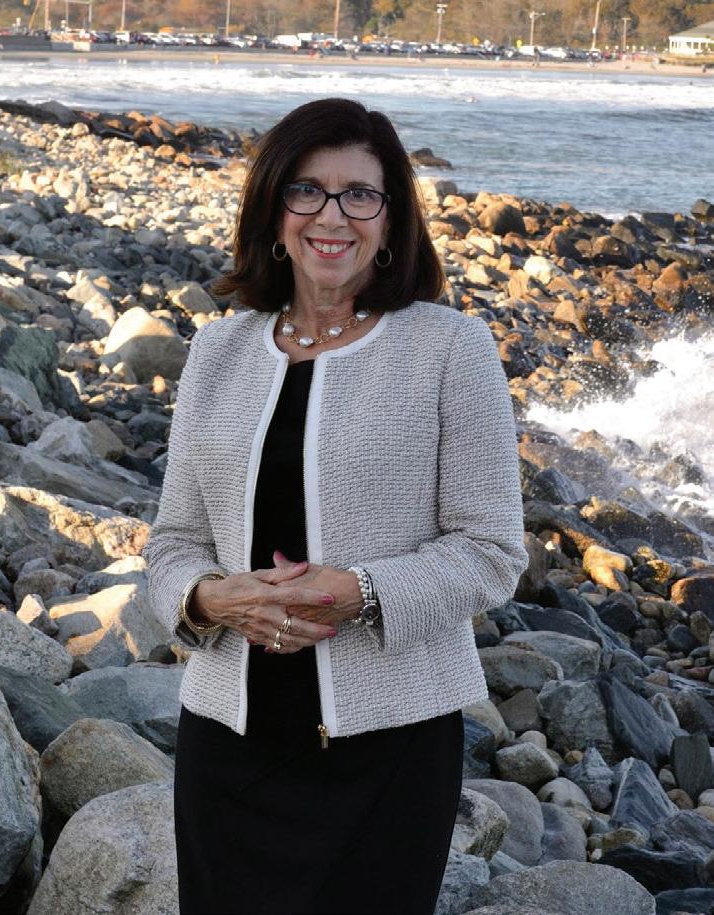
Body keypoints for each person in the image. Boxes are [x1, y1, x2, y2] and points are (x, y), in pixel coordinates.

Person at [143, 97, 528, 915]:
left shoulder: (450, 349)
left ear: (389, 223)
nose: (331, 215)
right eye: (306, 190)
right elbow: (173, 541)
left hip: (388, 749)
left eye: (359, 194)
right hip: (227, 745)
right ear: (274, 213)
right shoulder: (216, 351)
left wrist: (358, 591)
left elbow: (491, 549)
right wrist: (210, 598)